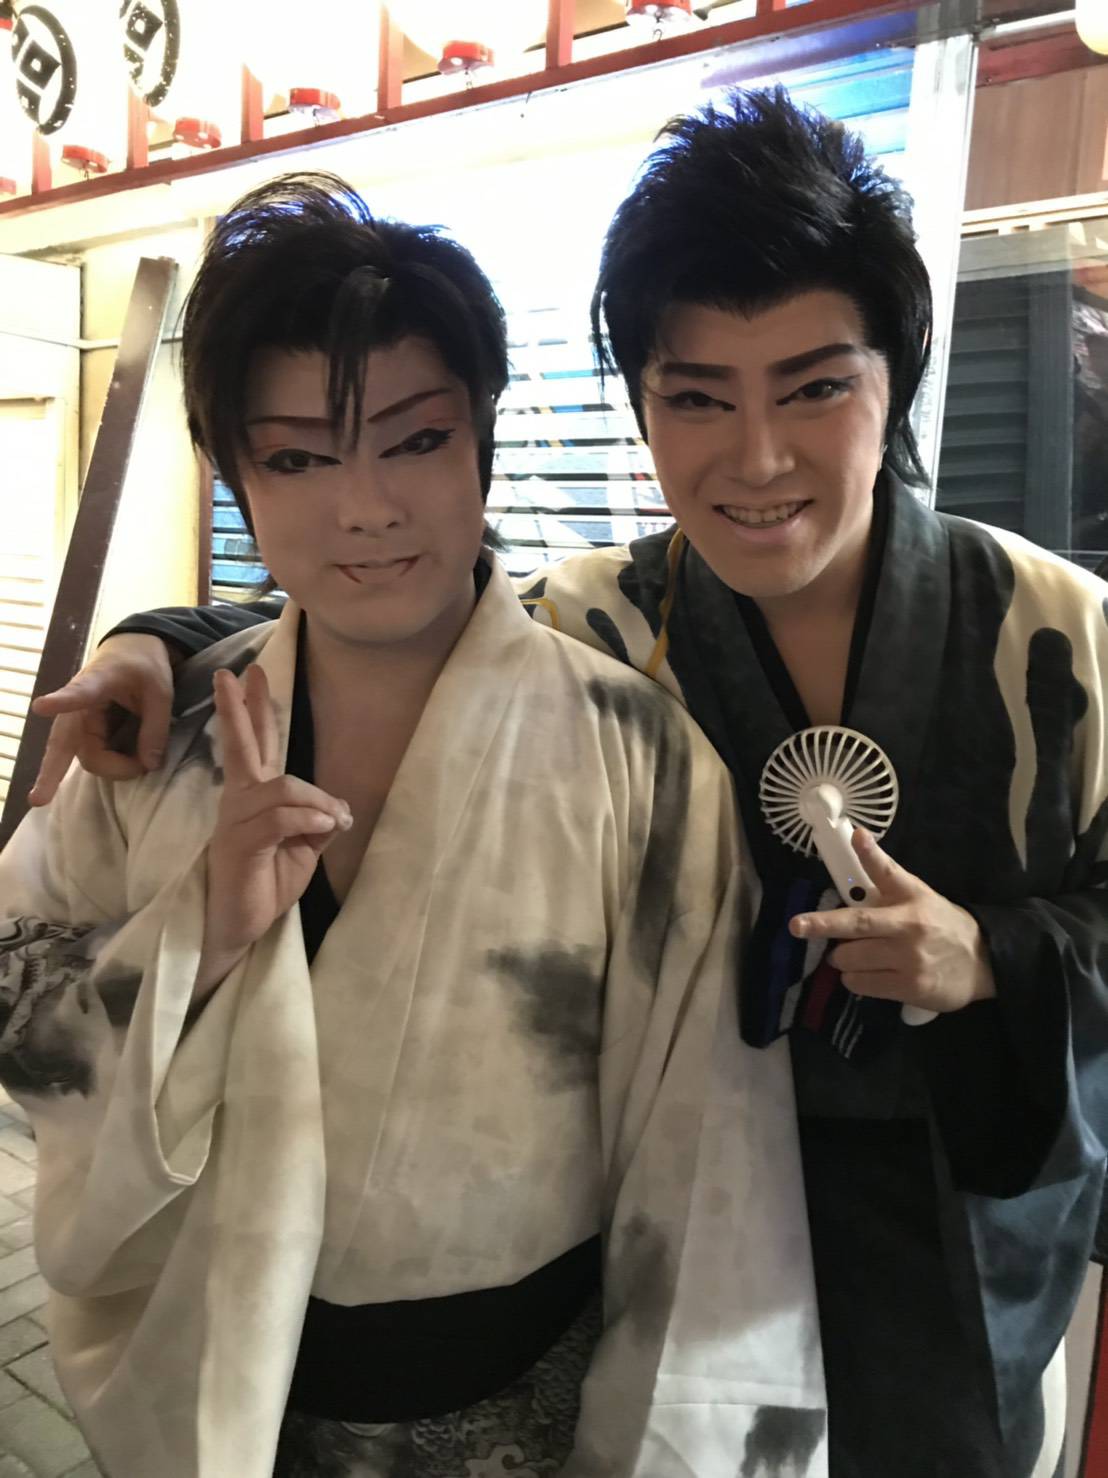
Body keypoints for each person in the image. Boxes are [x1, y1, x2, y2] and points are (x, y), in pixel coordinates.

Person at [25, 87, 1108, 1477]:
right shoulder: (604, 624)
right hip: (604, 1266)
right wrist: (152, 646)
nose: (757, 456)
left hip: (941, 1262)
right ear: (641, 402)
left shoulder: (1063, 640)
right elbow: (374, 610)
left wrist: (997, 961)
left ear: (895, 377)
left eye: (815, 387)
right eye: (696, 396)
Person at [0, 173, 828, 1478]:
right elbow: (18, 1002)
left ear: (482, 443)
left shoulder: (638, 755)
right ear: (234, 476)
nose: (365, 507)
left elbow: (706, 1155)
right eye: (297, 457)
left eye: (415, 440)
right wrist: (199, 937)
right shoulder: (159, 744)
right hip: (213, 1376)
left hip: (519, 1412)